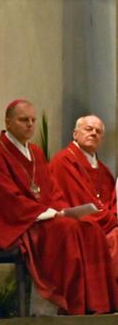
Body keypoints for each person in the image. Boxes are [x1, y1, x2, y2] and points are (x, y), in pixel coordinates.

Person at [0, 100, 117, 315]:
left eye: (32, 120)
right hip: (17, 222)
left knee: (89, 228)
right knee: (68, 230)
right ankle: (69, 304)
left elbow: (53, 192)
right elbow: (6, 199)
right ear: (8, 122)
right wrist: (48, 213)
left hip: (43, 217)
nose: (29, 125)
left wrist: (62, 210)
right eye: (23, 120)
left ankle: (97, 305)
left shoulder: (37, 153)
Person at [49, 115, 118, 275]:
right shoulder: (63, 162)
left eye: (98, 131)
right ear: (75, 134)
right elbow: (76, 201)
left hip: (105, 223)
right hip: (80, 225)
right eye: (88, 129)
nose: (94, 133)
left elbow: (112, 202)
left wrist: (112, 217)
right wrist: (111, 220)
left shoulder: (103, 170)